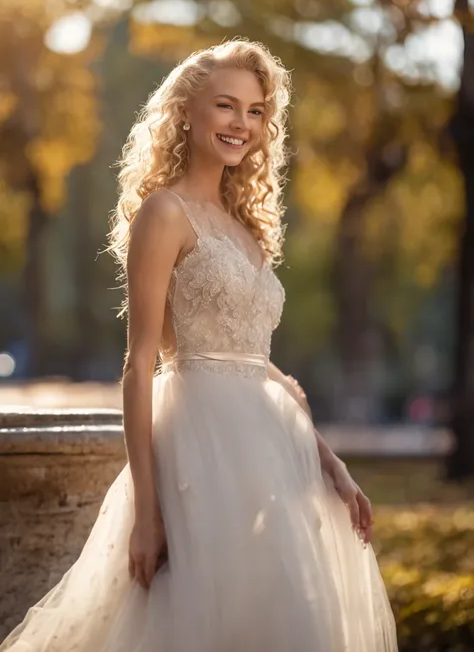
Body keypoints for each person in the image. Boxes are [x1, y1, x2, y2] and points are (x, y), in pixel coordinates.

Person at [0, 39, 398, 651]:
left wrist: (332, 465)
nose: (242, 123)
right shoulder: (163, 214)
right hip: (196, 454)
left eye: (256, 111)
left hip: (272, 454)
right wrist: (147, 515)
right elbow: (138, 365)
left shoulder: (248, 230)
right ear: (188, 110)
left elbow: (257, 364)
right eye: (226, 105)